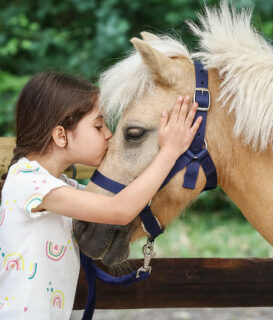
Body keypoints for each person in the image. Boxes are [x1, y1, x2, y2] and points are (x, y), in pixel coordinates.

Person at [0, 72, 202, 319]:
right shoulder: (27, 181)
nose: (109, 134)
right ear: (61, 135)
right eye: (98, 125)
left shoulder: (60, 185)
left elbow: (128, 198)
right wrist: (169, 152)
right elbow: (119, 210)